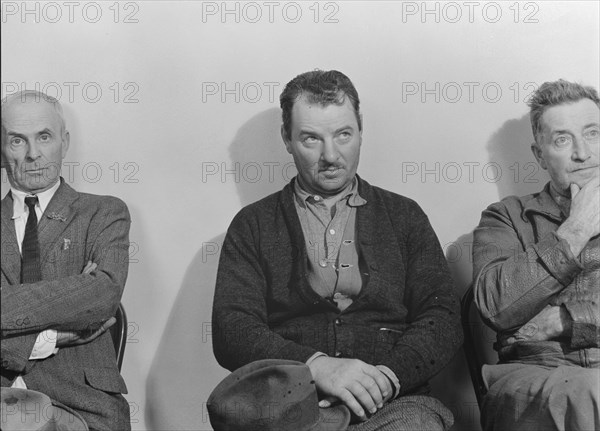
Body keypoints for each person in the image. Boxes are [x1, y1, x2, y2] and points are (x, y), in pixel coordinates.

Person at [212, 70, 462, 430]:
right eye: (311, 139)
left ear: (360, 129)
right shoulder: (252, 224)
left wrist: (387, 379)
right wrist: (315, 366)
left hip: (394, 402)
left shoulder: (404, 216)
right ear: (286, 138)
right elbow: (231, 328)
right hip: (289, 409)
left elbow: (443, 320)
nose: (331, 155)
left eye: (343, 135)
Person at [472, 80, 600, 430]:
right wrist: (576, 228)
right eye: (562, 139)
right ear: (539, 154)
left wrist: (568, 320)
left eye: (592, 133)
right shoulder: (505, 217)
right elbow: (496, 305)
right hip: (534, 376)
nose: (582, 153)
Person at [1, 91, 131, 430]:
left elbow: (102, 295)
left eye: (44, 137)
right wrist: (50, 337)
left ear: (64, 141)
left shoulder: (103, 213)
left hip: (82, 406)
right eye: (17, 141)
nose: (33, 154)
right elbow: (85, 298)